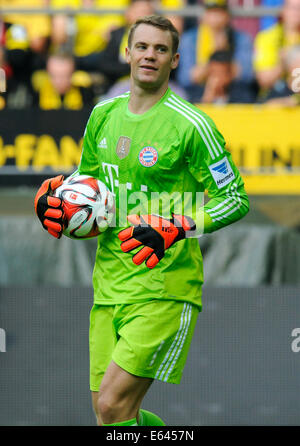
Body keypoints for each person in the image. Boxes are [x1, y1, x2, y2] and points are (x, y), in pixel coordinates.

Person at [34, 15, 249, 426]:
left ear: (174, 61)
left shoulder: (193, 125)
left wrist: (177, 227)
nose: (150, 55)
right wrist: (60, 209)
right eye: (143, 46)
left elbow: (235, 199)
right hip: (108, 285)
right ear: (127, 52)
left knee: (113, 406)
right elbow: (90, 191)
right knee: (110, 415)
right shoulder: (102, 115)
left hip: (163, 286)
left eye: (161, 49)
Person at [177, 0, 254, 102]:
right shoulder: (189, 39)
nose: (215, 18)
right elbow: (185, 78)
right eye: (211, 12)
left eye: (219, 12)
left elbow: (246, 76)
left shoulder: (241, 38)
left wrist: (224, 52)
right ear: (204, 15)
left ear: (227, 16)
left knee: (245, 95)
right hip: (198, 89)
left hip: (232, 90)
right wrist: (214, 57)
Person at [253, 0, 300, 99]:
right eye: (293, 8)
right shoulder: (267, 37)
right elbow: (264, 81)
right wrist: (283, 64)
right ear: (284, 10)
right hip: (275, 98)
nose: (297, 12)